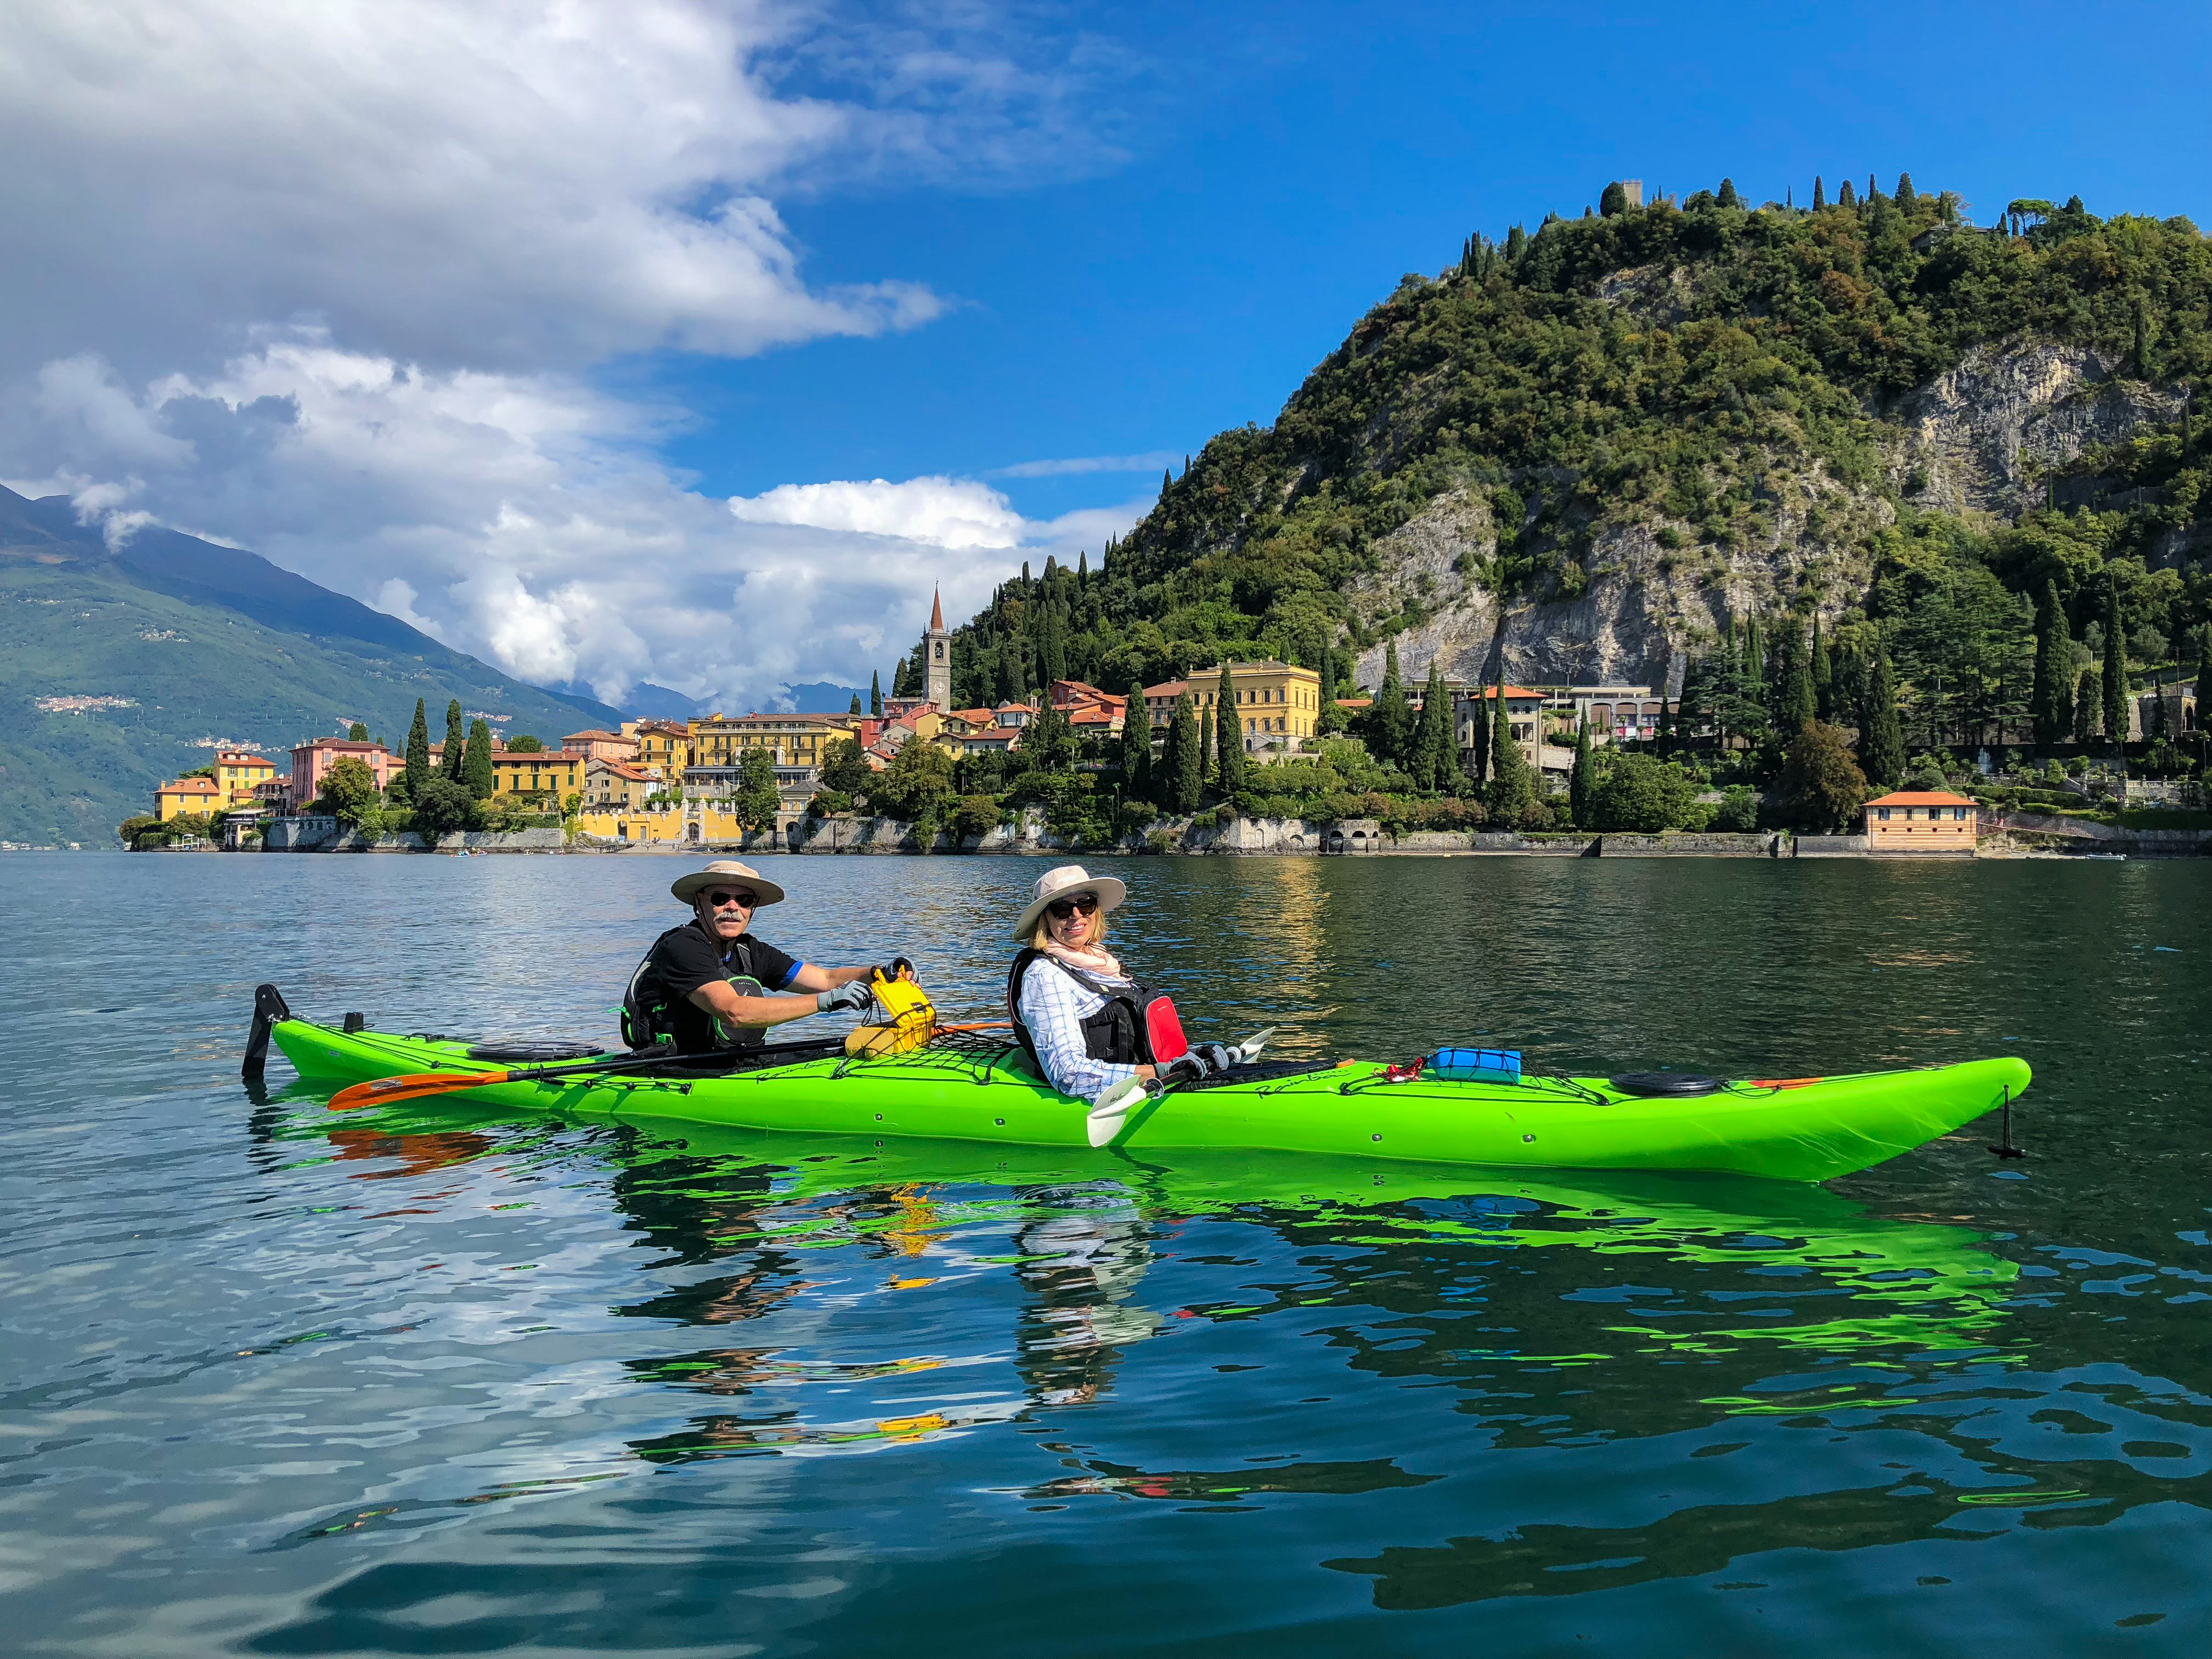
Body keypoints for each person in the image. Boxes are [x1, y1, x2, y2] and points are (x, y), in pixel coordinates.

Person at [1005, 865, 1232, 1103]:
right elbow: (1068, 1073)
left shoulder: (1097, 959)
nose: (1076, 915)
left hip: (1149, 1074)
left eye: (1086, 904)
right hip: (1121, 1090)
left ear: (1096, 911)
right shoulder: (1045, 976)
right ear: (1045, 920)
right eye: (1062, 909)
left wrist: (1191, 1056)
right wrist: (1161, 1073)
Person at [624, 860, 876, 1054]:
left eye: (743, 900)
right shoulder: (682, 946)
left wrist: (881, 973)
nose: (733, 907)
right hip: (673, 1065)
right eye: (720, 898)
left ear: (751, 909)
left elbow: (826, 978)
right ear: (699, 904)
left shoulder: (749, 950)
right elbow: (735, 1012)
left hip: (728, 1061)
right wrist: (825, 1002)